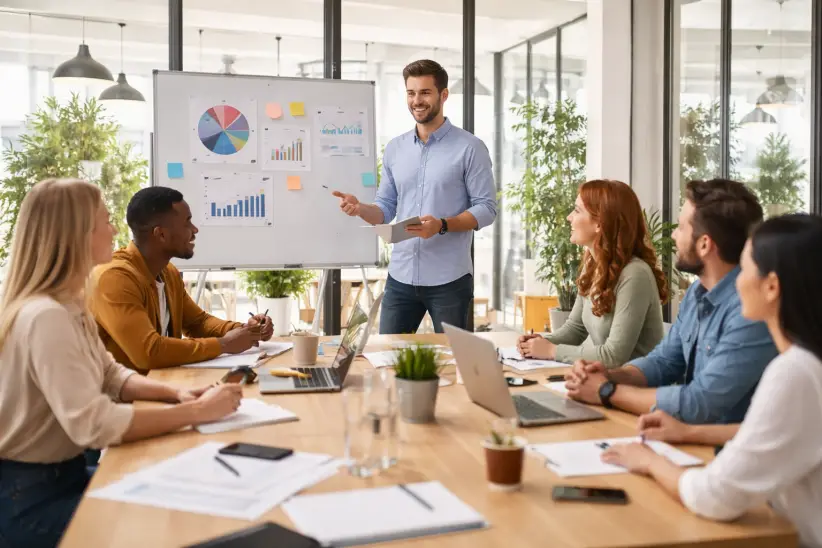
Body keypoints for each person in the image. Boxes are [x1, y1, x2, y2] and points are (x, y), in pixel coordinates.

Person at [0, 179, 243, 547]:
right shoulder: (45, 316)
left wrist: (178, 395)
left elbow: (112, 375)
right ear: (76, 234)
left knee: (183, 493)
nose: (115, 229)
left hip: (65, 477)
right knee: (168, 528)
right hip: (32, 502)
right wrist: (197, 413)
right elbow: (93, 423)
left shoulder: (69, 305)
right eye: (105, 220)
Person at [601, 214, 822, 548]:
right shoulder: (809, 364)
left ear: (772, 286)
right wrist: (691, 433)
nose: (737, 282)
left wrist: (647, 460)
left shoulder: (795, 372)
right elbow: (785, 432)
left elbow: (714, 497)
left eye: (746, 270)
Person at [565, 179, 777, 425]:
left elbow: (701, 403)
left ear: (705, 244)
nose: (674, 235)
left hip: (722, 450)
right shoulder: (699, 292)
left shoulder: (750, 311)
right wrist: (610, 375)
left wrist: (606, 391)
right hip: (688, 438)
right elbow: (664, 362)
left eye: (682, 228)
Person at [331, 59, 497, 334]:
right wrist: (360, 208)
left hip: (450, 281)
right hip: (401, 278)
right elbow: (385, 208)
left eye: (425, 92)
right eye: (411, 93)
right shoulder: (395, 149)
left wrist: (442, 225)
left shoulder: (470, 148)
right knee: (388, 357)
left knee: (452, 362)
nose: (417, 101)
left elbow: (487, 208)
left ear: (443, 95)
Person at [91, 187, 273, 373]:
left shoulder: (167, 272)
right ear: (161, 234)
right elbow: (148, 352)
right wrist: (224, 344)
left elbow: (197, 323)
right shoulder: (114, 278)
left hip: (157, 386)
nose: (194, 230)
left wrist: (246, 330)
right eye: (187, 223)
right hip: (120, 398)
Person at [517, 180, 666, 367]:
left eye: (577, 211)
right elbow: (575, 329)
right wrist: (540, 342)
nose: (569, 218)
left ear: (600, 223)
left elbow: (613, 356)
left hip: (639, 387)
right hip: (607, 382)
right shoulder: (593, 266)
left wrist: (551, 351)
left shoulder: (635, 274)